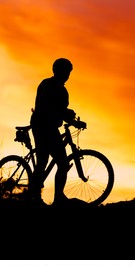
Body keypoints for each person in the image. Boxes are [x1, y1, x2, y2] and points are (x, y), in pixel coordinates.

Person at [30, 58, 77, 206]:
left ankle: (56, 197)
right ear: (56, 70)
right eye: (65, 71)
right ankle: (38, 197)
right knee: (47, 161)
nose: (67, 75)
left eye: (68, 72)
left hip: (50, 127)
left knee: (58, 163)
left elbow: (60, 112)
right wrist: (66, 113)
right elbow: (49, 108)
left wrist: (74, 121)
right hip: (42, 126)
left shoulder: (63, 91)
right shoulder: (47, 85)